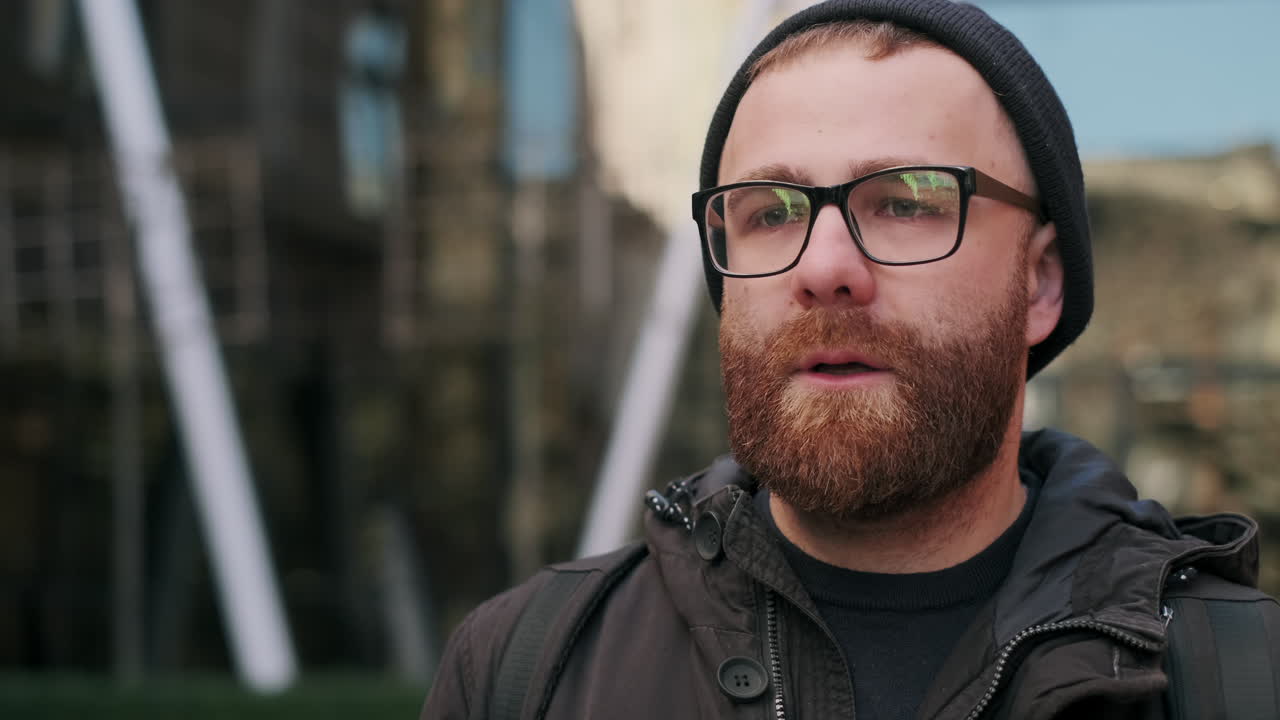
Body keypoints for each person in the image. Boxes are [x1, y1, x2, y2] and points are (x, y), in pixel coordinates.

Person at [423, 1, 1280, 718]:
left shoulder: (1241, 677)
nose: (823, 267)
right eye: (769, 213)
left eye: (907, 201)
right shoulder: (524, 672)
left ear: (1041, 283)